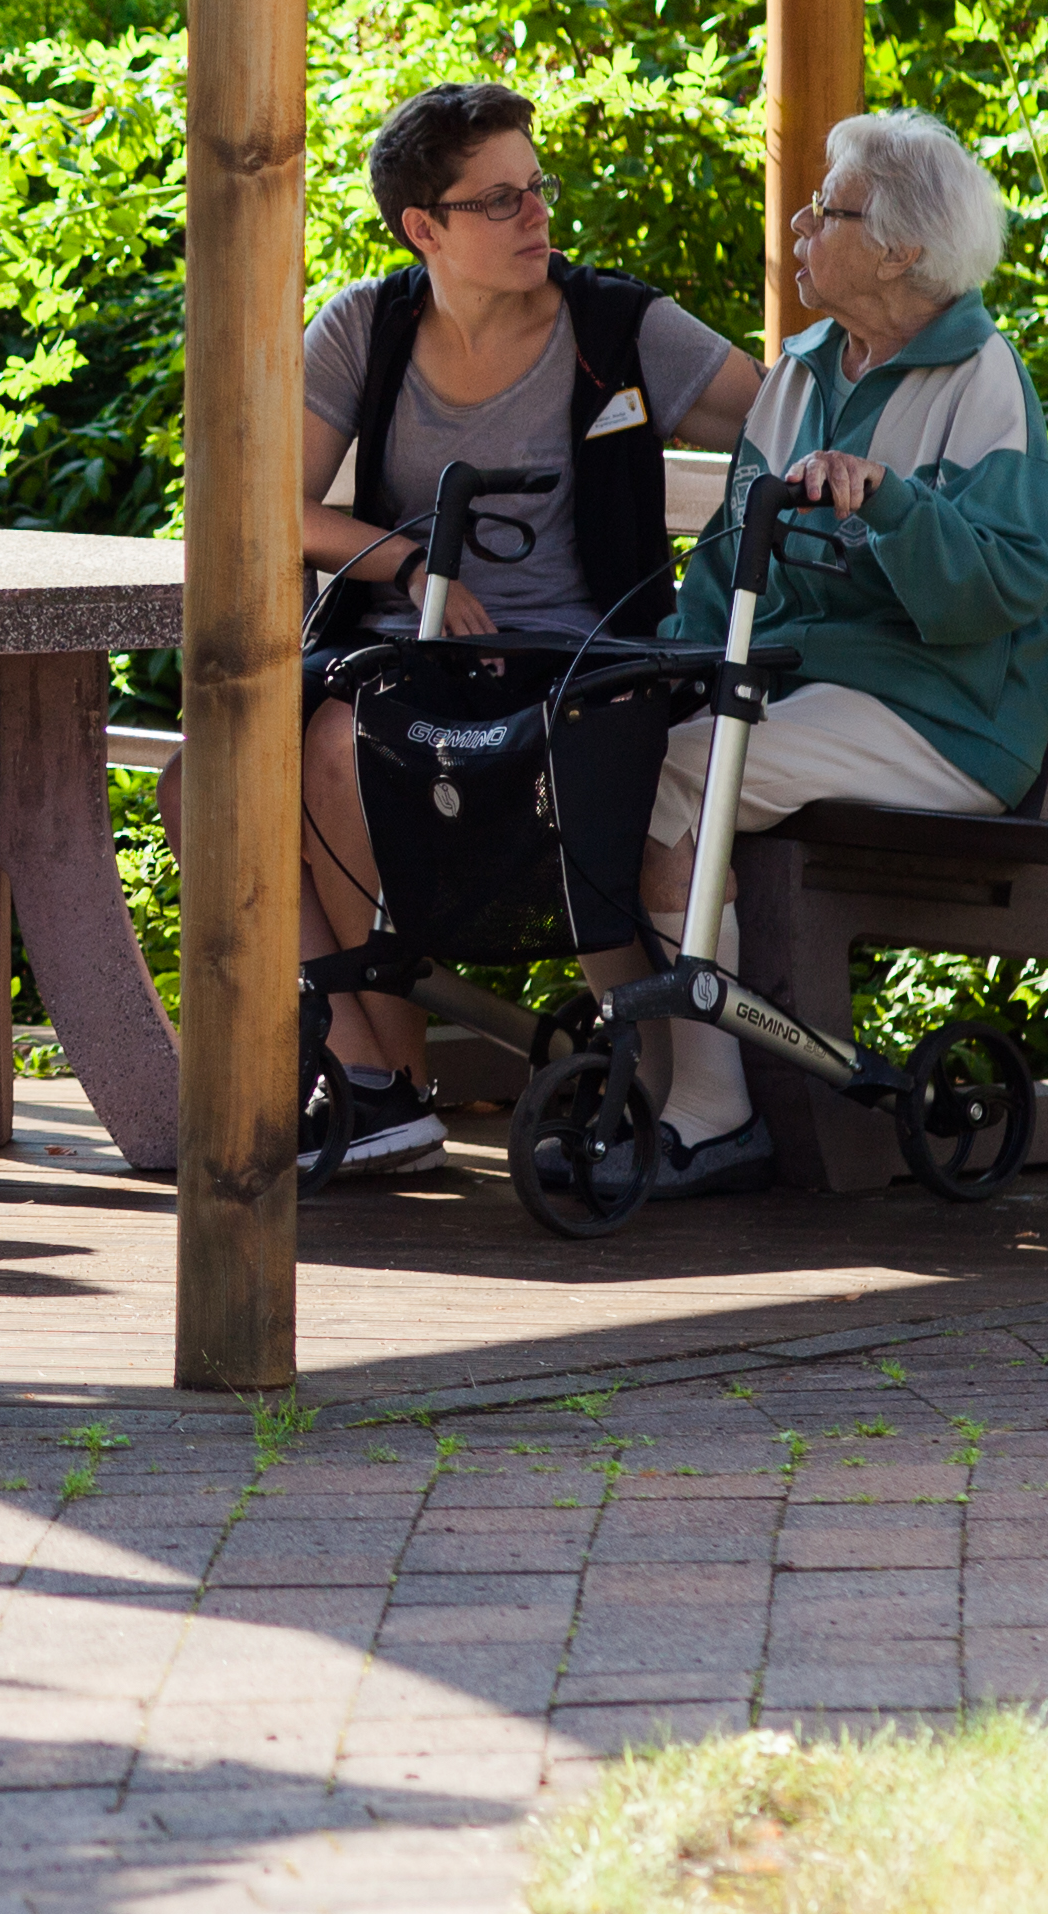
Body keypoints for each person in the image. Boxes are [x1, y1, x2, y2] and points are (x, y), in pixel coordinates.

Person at [583, 108, 1048, 1199]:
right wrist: (660, 671)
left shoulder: (981, 377)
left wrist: (891, 503)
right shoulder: (802, 371)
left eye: (825, 210)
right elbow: (726, 561)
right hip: (806, 690)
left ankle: (710, 1113)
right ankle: (670, 1088)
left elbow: (1006, 582)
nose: (798, 227)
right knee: (621, 745)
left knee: (686, 770)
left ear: (899, 246)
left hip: (946, 713)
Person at [292, 81, 760, 1175]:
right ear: (424, 228)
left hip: (578, 669)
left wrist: (977, 464)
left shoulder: (616, 326)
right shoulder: (368, 325)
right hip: (419, 657)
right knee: (208, 781)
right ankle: (382, 1081)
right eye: (499, 201)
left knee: (332, 743)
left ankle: (384, 1088)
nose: (536, 216)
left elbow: (786, 411)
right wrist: (411, 564)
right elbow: (273, 500)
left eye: (536, 187)